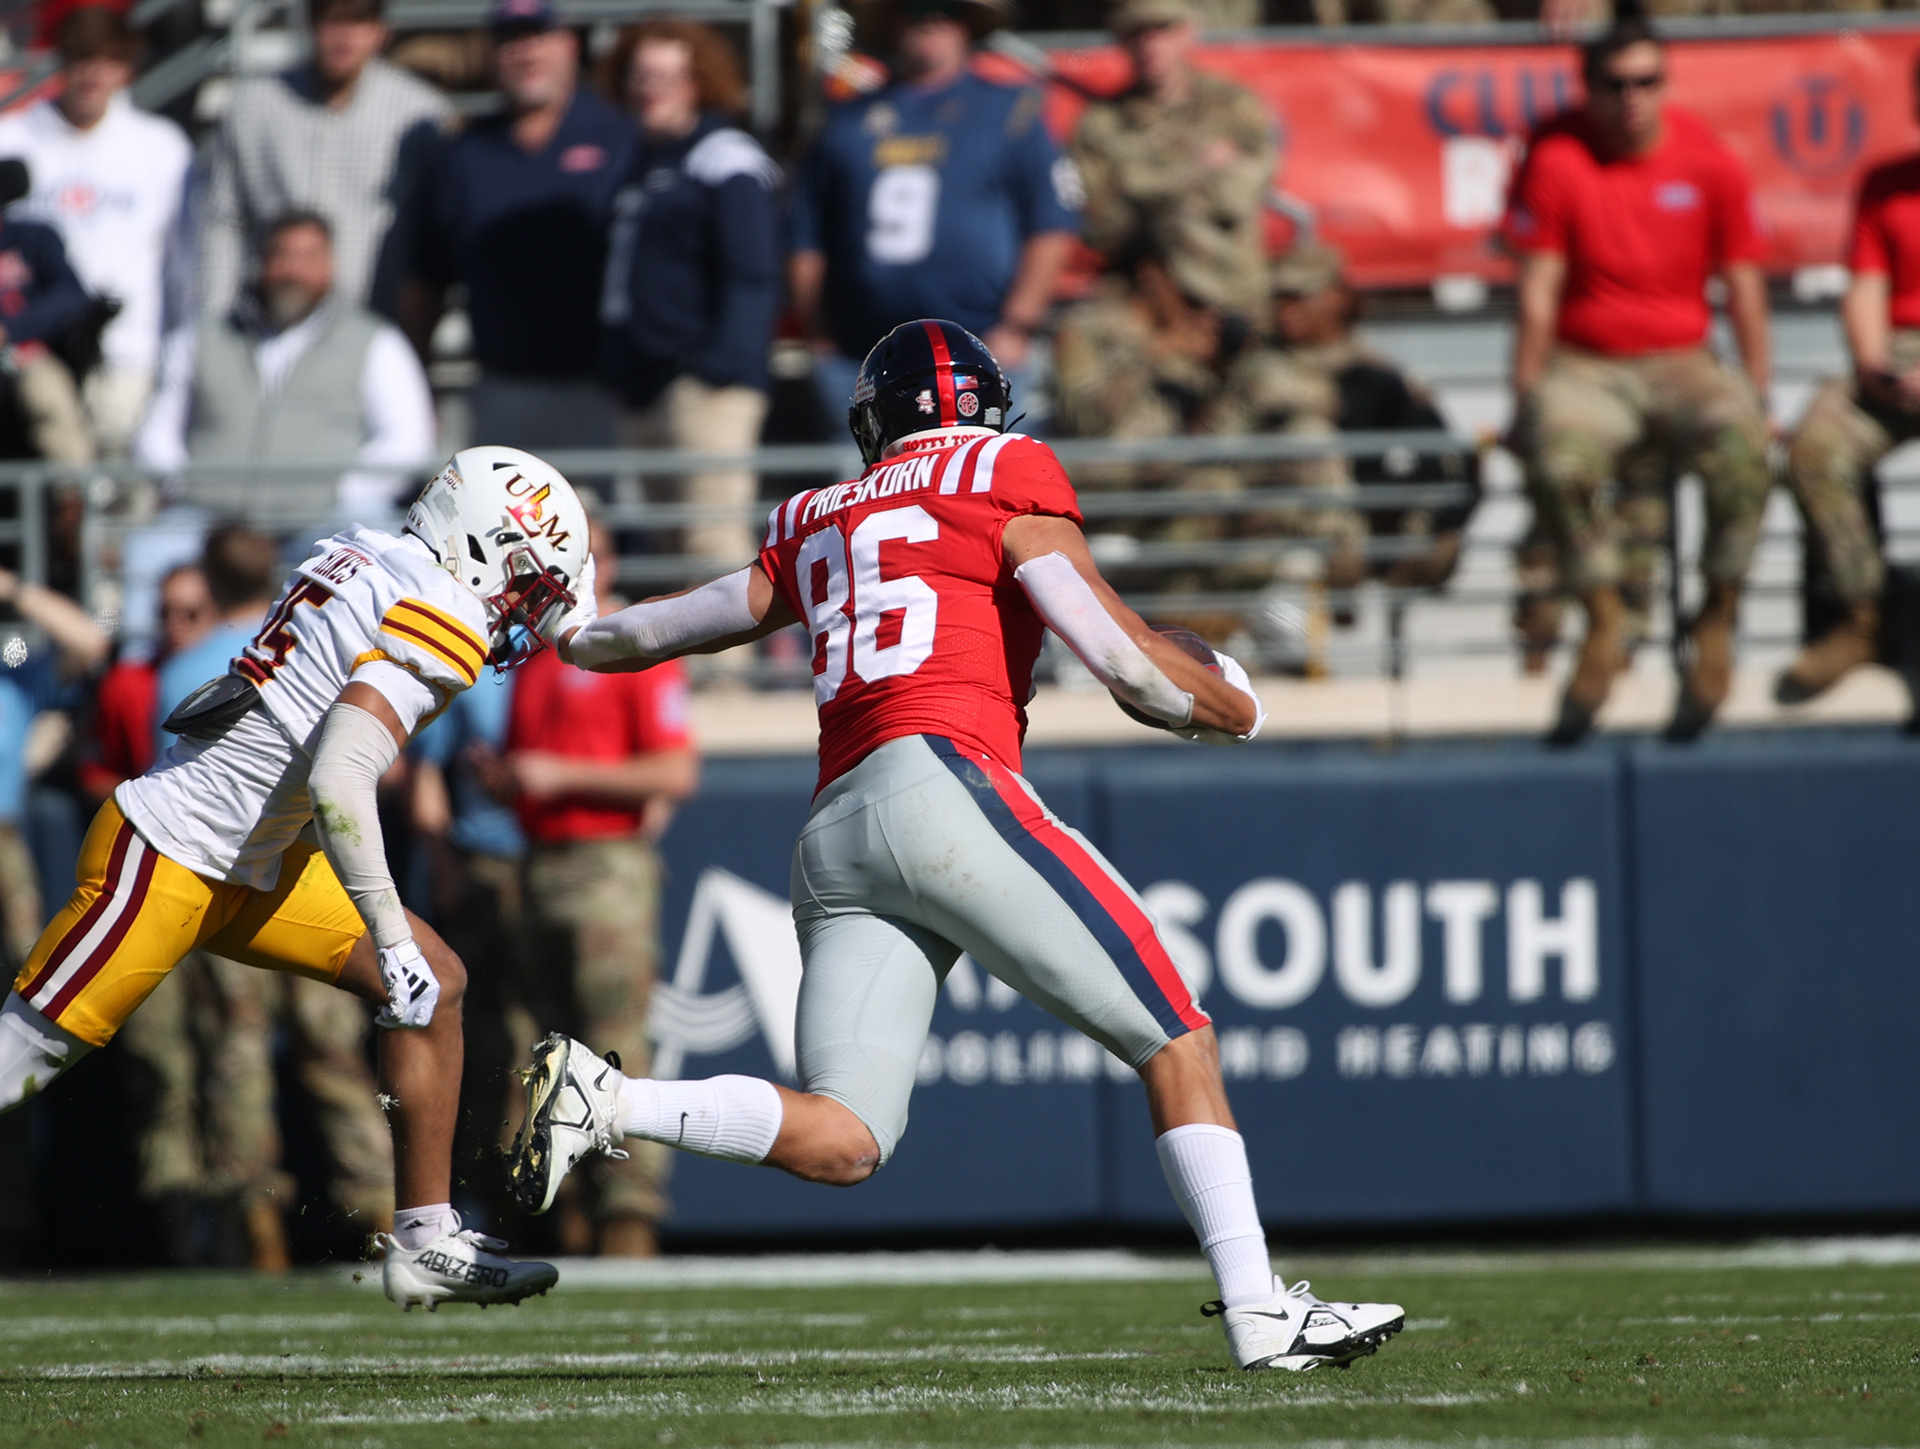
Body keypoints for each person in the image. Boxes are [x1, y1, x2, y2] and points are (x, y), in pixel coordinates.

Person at [507, 319, 1405, 1372]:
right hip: (945, 784)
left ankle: (611, 1099)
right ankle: (1259, 1312)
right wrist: (1235, 705)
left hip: (836, 832)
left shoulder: (816, 514)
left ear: (874, 422)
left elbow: (656, 630)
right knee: (1176, 1037)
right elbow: (1123, 662)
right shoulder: (1003, 468)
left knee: (846, 1138)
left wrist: (568, 631)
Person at [0, 445, 586, 1309]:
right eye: (523, 581)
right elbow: (341, 778)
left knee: (436, 984)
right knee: (17, 1059)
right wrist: (390, 930)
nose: (518, 607)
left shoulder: (361, 550)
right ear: (481, 543)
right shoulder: (441, 608)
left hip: (260, 858)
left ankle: (426, 1239)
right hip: (171, 850)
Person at [1504, 14, 1772, 745]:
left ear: (1665, 83)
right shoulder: (1556, 156)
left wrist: (1758, 392)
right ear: (1589, 88)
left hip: (1683, 360)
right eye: (1616, 84)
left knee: (1745, 449)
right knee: (1559, 458)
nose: (1633, 98)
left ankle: (1717, 613)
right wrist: (1524, 396)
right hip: (1588, 364)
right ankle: (1603, 616)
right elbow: (1538, 291)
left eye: (1647, 82)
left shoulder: (1708, 159)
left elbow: (1745, 289)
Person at [489, 515, 695, 1257]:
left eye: (590, 556)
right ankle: (564, 1203)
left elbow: (674, 770)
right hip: (537, 861)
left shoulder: (633, 646)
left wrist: (560, 775)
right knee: (540, 1046)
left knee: (613, 1044)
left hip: (607, 864)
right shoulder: (535, 657)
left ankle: (627, 1210)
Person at [788, 0, 1078, 429]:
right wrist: (820, 335)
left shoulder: (1011, 112)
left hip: (982, 350)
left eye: (944, 11)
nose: (928, 23)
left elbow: (1051, 224)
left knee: (984, 470)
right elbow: (806, 237)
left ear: (965, 23)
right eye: (915, 9)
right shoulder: (844, 121)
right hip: (861, 356)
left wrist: (1017, 325)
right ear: (892, 20)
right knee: (869, 471)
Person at [407, 0, 633, 454]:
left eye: (539, 36)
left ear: (569, 44)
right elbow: (426, 277)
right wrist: (416, 382)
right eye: (512, 40)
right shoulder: (467, 152)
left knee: (604, 501)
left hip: (608, 388)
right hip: (502, 386)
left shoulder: (620, 136)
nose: (527, 53)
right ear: (491, 54)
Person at [599, 18, 780, 571]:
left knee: (712, 548)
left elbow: (753, 272)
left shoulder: (725, 156)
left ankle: (736, 641)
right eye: (640, 76)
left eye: (667, 76)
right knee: (667, 552)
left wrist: (716, 370)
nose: (650, 90)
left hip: (703, 388)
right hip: (645, 383)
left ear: (700, 82)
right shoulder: (640, 159)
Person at [1775, 60, 1920, 705]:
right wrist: (1873, 365)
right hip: (1901, 352)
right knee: (1816, 446)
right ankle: (1864, 617)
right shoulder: (1887, 186)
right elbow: (1866, 285)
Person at [138, 211, 437, 517]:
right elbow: (156, 434)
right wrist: (185, 488)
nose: (293, 271)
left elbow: (407, 442)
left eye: (309, 257)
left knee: (368, 530)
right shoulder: (201, 337)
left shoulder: (376, 341)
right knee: (152, 545)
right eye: (282, 255)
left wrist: (340, 493)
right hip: (207, 517)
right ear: (260, 260)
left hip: (325, 520)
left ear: (331, 264)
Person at [0, 7, 191, 458]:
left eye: (109, 61)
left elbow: (181, 264)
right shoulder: (12, 137)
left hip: (128, 353)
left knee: (120, 485)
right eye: (81, 58)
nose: (93, 74)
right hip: (30, 354)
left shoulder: (160, 146)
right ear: (61, 62)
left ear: (127, 68)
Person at [199, 0, 452, 322]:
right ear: (309, 22)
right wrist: (215, 320)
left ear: (381, 31)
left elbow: (430, 244)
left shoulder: (420, 116)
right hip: (271, 322)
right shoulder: (254, 106)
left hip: (373, 324)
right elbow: (224, 221)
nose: (344, 35)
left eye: (358, 20)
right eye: (332, 19)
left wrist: (411, 336)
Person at [1071, 0, 1277, 327]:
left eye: (1162, 30)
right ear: (1122, 40)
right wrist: (1199, 169)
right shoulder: (1102, 122)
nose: (1149, 44)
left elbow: (1235, 199)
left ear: (1188, 32)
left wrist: (1140, 186)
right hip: (1140, 298)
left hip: (1230, 290)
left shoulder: (1234, 105)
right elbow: (1101, 224)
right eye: (1137, 33)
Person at [0, 174, 95, 464]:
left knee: (48, 396)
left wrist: (10, 329)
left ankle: (73, 486)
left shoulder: (32, 238)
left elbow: (70, 296)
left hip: (23, 352)